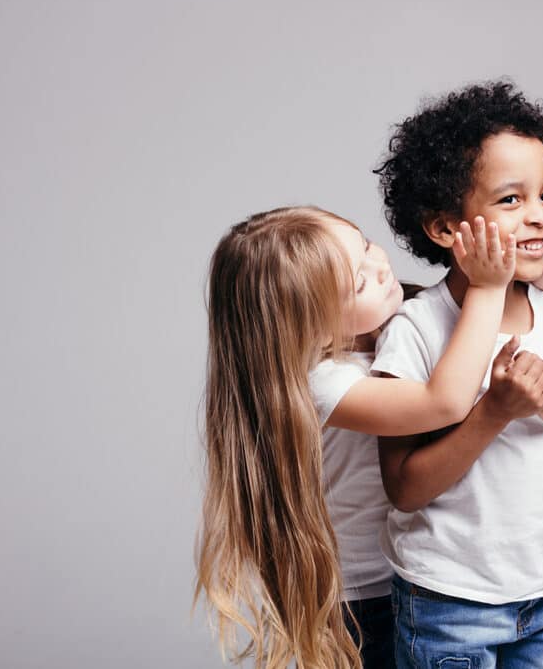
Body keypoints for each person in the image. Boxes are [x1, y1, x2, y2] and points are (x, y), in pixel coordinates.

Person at [196, 205, 515, 669]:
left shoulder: (396, 328)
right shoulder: (323, 383)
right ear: (312, 324)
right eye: (359, 283)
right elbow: (445, 402)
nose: (380, 267)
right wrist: (488, 287)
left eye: (366, 246)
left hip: (424, 573)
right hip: (365, 598)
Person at [371, 80, 543, 668]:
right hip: (447, 601)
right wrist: (494, 413)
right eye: (510, 200)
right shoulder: (417, 328)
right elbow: (404, 489)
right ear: (446, 228)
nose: (539, 217)